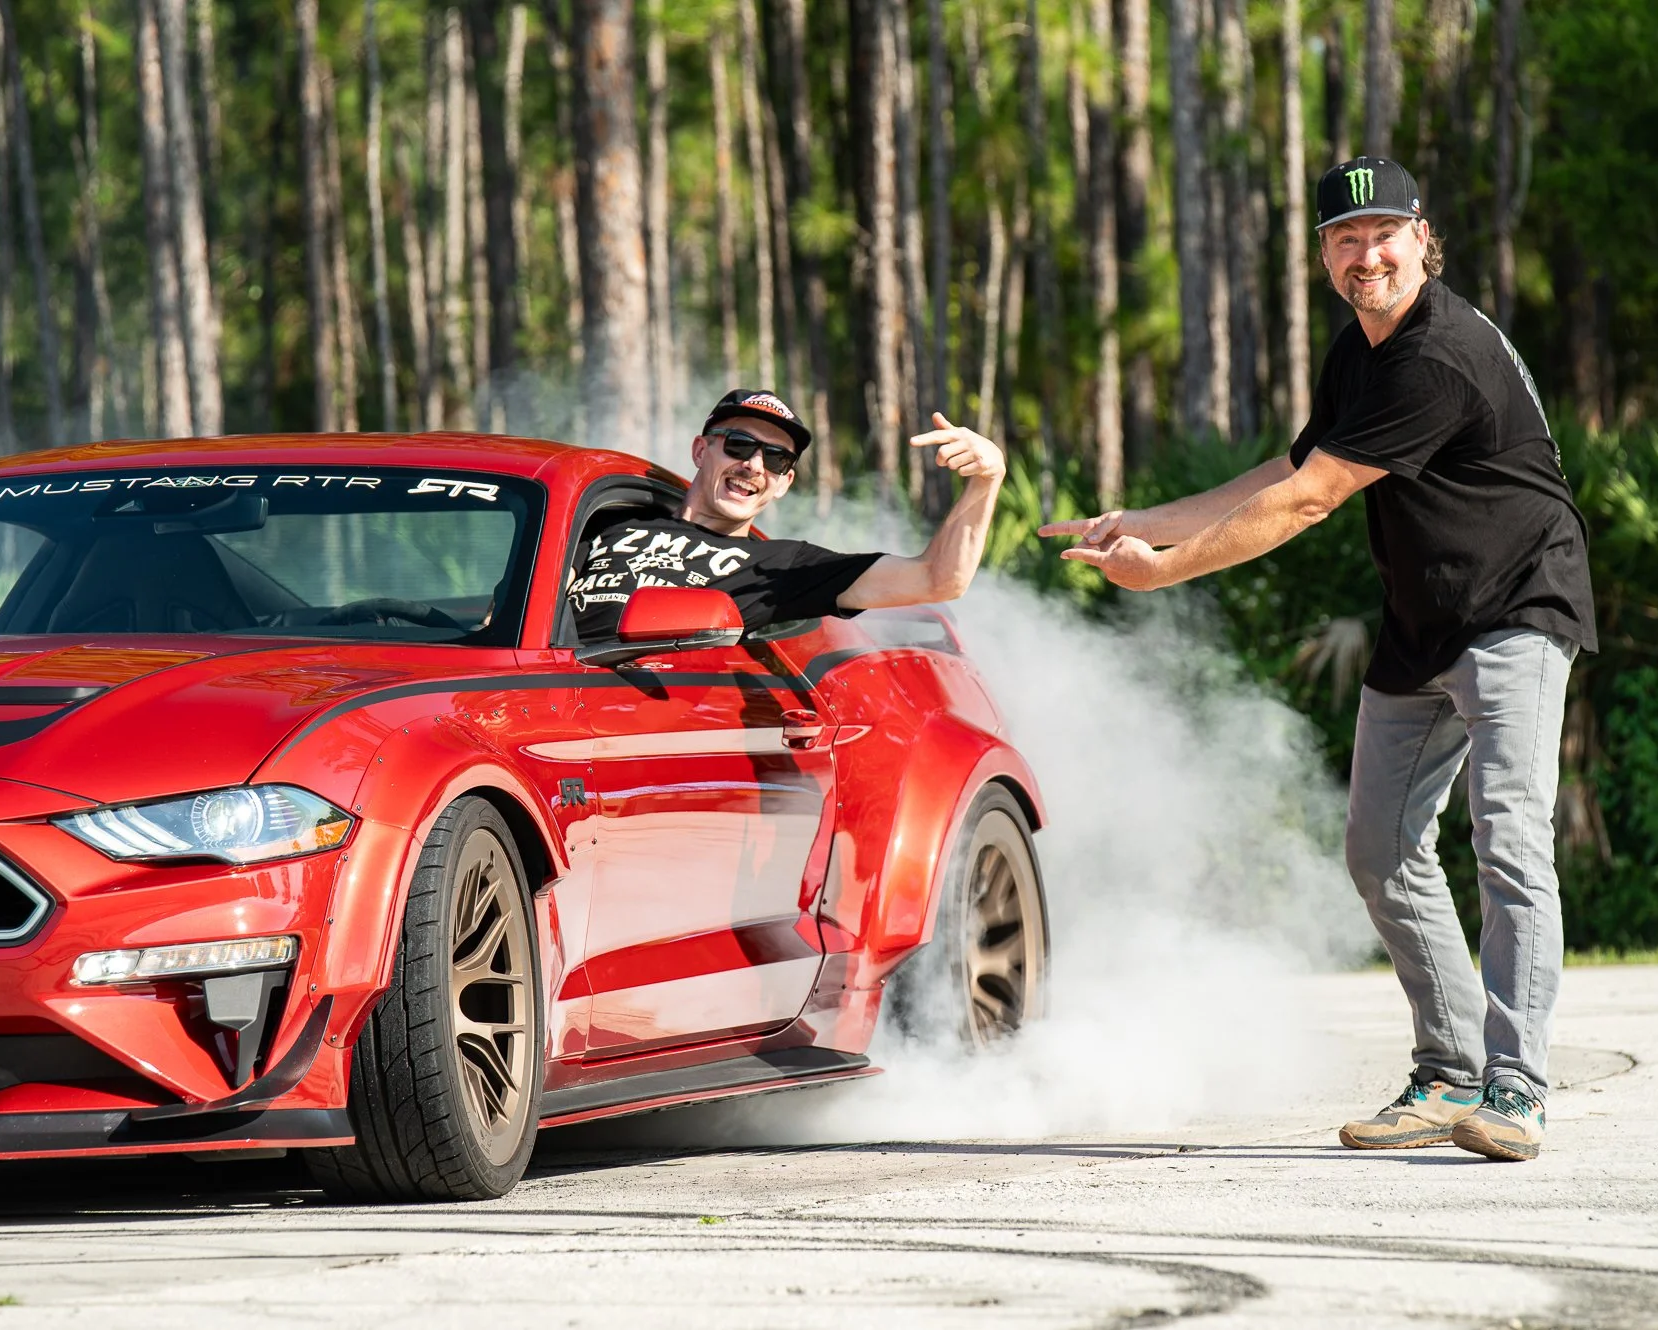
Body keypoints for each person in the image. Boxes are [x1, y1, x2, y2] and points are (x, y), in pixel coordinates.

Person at [1041, 156, 1596, 1162]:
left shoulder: (1434, 354)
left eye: (1382, 234)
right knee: (1378, 849)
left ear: (1422, 240)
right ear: (1322, 255)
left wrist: (1158, 572)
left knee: (1508, 843)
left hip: (1516, 604)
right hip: (1422, 618)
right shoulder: (1361, 351)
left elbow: (1308, 502)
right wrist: (1143, 520)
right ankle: (1447, 1071)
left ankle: (1515, 1088)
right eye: (1344, 239)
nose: (1364, 254)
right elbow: (1290, 467)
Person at [570, 389, 1006, 642]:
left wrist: (987, 479)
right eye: (739, 445)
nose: (755, 466)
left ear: (784, 483)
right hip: (544, 681)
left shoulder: (778, 568)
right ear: (701, 451)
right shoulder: (609, 518)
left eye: (776, 459)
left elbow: (939, 579)